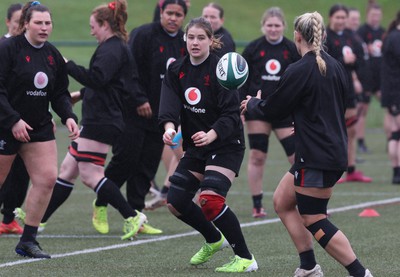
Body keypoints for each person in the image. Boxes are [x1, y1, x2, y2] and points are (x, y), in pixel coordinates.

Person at [241, 11, 373, 277]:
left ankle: (360, 273)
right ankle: (309, 266)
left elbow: (274, 109)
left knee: (314, 218)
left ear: (297, 36)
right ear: (321, 35)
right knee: (282, 201)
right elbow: (320, 107)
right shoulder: (335, 66)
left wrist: (253, 104)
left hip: (316, 157)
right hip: (325, 152)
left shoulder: (299, 69)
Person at [31, 0, 149, 240]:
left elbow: (98, 79)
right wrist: (80, 95)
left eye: (93, 26)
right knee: (67, 170)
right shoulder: (111, 47)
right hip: (99, 116)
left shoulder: (112, 48)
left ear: (105, 24)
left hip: (102, 119)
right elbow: (108, 84)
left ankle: (132, 216)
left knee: (90, 175)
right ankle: (37, 219)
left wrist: (67, 66)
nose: (91, 30)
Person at [159, 17, 258, 273]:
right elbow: (169, 104)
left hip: (226, 143)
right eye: (190, 37)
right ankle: (214, 239)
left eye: (201, 38)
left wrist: (212, 134)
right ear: (185, 39)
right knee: (175, 200)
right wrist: (169, 129)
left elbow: (231, 114)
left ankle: (246, 258)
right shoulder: (176, 70)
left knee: (210, 200)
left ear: (211, 41)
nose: (195, 42)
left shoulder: (221, 69)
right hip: (197, 146)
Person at [92, 0, 188, 235]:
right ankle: (101, 202)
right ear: (161, 13)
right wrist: (139, 99)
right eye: (169, 13)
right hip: (133, 111)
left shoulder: (186, 41)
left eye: (178, 14)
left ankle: (135, 216)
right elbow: (128, 70)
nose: (173, 18)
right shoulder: (144, 34)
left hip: (161, 116)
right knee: (126, 159)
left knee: (146, 167)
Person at [0, 1, 79, 258]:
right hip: (5, 125)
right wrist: (13, 120)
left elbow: (59, 93)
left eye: (48, 23)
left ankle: (27, 241)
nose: (44, 28)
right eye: (38, 22)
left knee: (46, 179)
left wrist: (67, 115)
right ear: (25, 24)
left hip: (38, 127)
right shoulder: (8, 48)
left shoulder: (52, 55)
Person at [240, 7, 300, 218]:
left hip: (284, 111)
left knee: (297, 157)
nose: (273, 29)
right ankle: (257, 204)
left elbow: (300, 79)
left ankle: (305, 200)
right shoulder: (254, 49)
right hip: (258, 110)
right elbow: (241, 78)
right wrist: (244, 103)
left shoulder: (292, 49)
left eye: (277, 25)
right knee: (257, 156)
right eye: (269, 25)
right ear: (263, 26)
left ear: (284, 26)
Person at [325, 4, 372, 183]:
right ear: (331, 18)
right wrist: (341, 60)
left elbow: (359, 62)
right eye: (337, 17)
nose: (341, 21)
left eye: (343, 17)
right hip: (330, 91)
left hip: (348, 91)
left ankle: (350, 169)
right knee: (333, 131)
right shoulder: (325, 37)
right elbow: (321, 61)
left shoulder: (351, 37)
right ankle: (332, 169)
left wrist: (357, 79)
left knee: (350, 131)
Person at [0, 3, 28, 235]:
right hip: (4, 120)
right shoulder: (3, 47)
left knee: (22, 172)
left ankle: (9, 217)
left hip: (26, 123)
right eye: (18, 21)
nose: (21, 25)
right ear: (8, 22)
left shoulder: (31, 49)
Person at [358, 1, 387, 151]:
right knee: (363, 110)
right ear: (368, 15)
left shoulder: (384, 32)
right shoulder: (362, 32)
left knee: (391, 108)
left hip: (382, 78)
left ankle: (393, 140)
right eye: (373, 15)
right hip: (367, 78)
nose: (375, 18)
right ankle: (360, 142)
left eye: (378, 15)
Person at [381, 11, 400, 184]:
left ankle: (396, 172)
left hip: (391, 91)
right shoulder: (396, 38)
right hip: (396, 91)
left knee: (395, 133)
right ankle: (397, 171)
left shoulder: (391, 36)